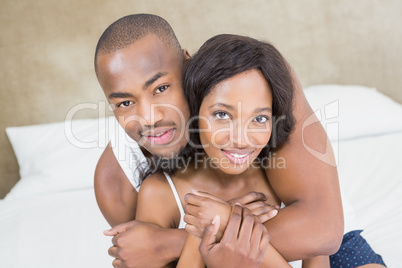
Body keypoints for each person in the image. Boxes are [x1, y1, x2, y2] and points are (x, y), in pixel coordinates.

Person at [94, 14, 383, 268]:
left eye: (162, 88)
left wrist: (181, 240)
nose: (149, 118)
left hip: (327, 247)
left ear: (188, 63)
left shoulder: (257, 80)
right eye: (124, 103)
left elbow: (322, 232)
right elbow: (146, 258)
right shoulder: (118, 180)